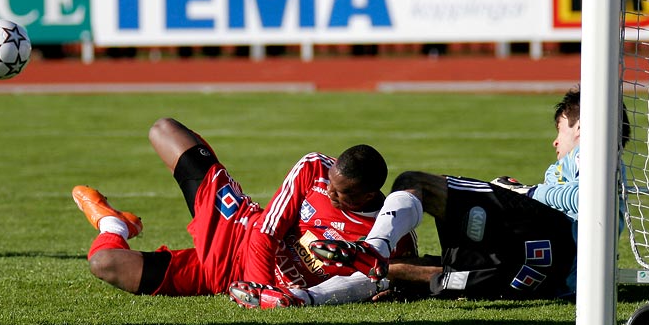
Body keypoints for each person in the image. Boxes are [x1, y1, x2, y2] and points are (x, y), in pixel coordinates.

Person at [311, 87, 631, 301]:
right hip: (541, 280)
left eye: (560, 129)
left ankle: (374, 245)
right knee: (404, 270)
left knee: (416, 183)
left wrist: (526, 191)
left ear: (582, 126)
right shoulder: (573, 170)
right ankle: (306, 297)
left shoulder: (594, 151)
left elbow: (593, 197)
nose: (555, 142)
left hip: (552, 243)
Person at [72, 117, 416, 299]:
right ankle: (120, 223)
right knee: (164, 130)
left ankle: (112, 225)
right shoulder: (314, 168)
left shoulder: (389, 232)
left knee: (105, 263)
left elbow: (398, 275)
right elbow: (265, 231)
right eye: (330, 183)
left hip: (221, 279)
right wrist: (259, 293)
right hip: (238, 231)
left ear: (369, 196)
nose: (330, 193)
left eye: (341, 195)